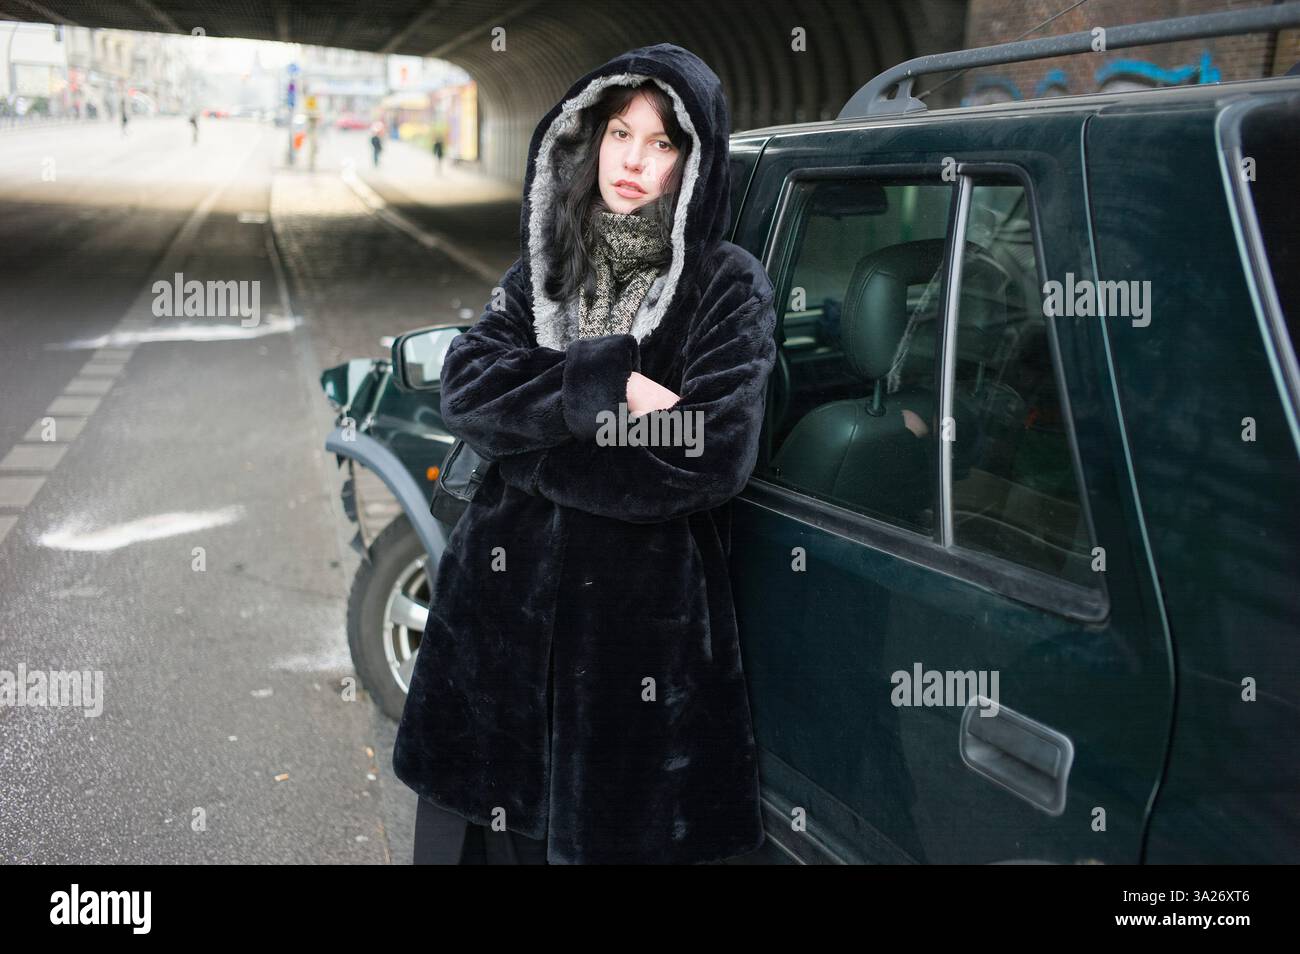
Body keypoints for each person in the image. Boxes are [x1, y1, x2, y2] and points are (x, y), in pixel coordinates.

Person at [394, 42, 778, 865]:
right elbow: (466, 386)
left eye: (662, 142)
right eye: (619, 133)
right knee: (488, 841)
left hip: (633, 640)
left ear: (693, 162)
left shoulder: (726, 285)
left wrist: (528, 452)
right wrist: (618, 385)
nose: (635, 161)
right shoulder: (548, 264)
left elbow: (708, 450)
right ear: (588, 138)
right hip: (498, 621)